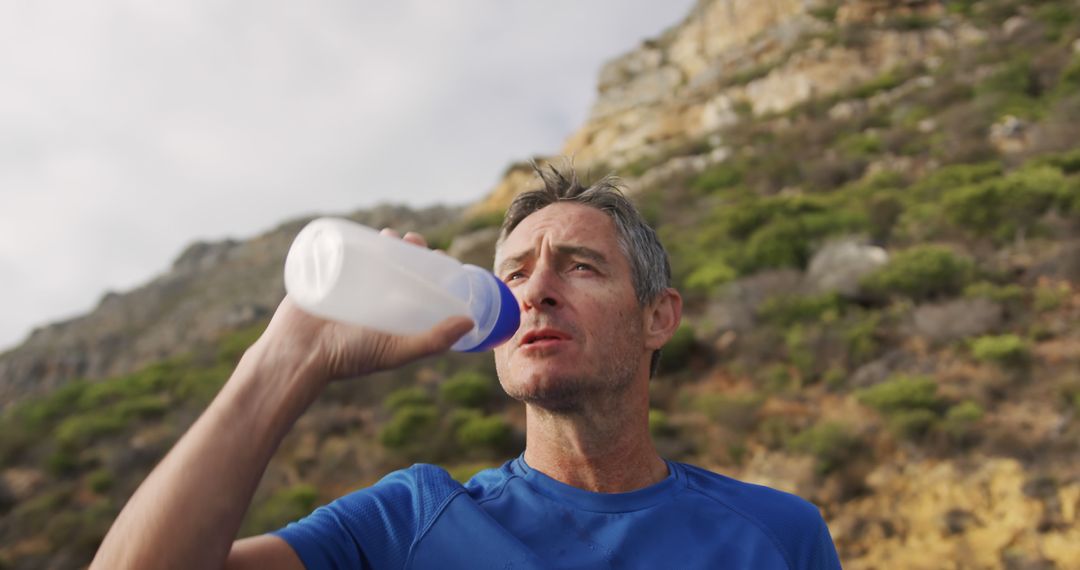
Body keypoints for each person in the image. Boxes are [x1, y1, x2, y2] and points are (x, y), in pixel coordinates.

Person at [91, 163, 842, 569]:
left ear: (658, 316)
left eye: (580, 266)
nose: (538, 288)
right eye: (513, 272)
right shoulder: (407, 523)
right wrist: (286, 358)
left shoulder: (778, 535)